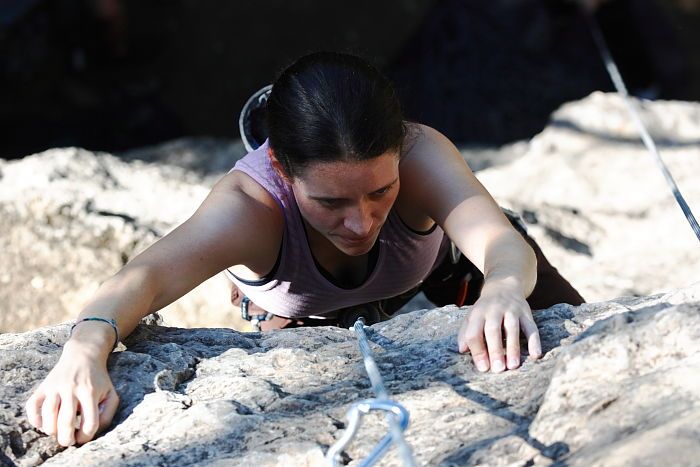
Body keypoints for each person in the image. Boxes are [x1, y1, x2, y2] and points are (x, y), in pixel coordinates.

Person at [25, 50, 584, 447]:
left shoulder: (420, 152)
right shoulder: (248, 207)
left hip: (439, 270)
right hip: (301, 317)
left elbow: (497, 240)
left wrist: (504, 287)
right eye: (330, 201)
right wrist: (83, 353)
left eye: (381, 190)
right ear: (280, 168)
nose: (361, 221)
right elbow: (143, 279)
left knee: (555, 322)